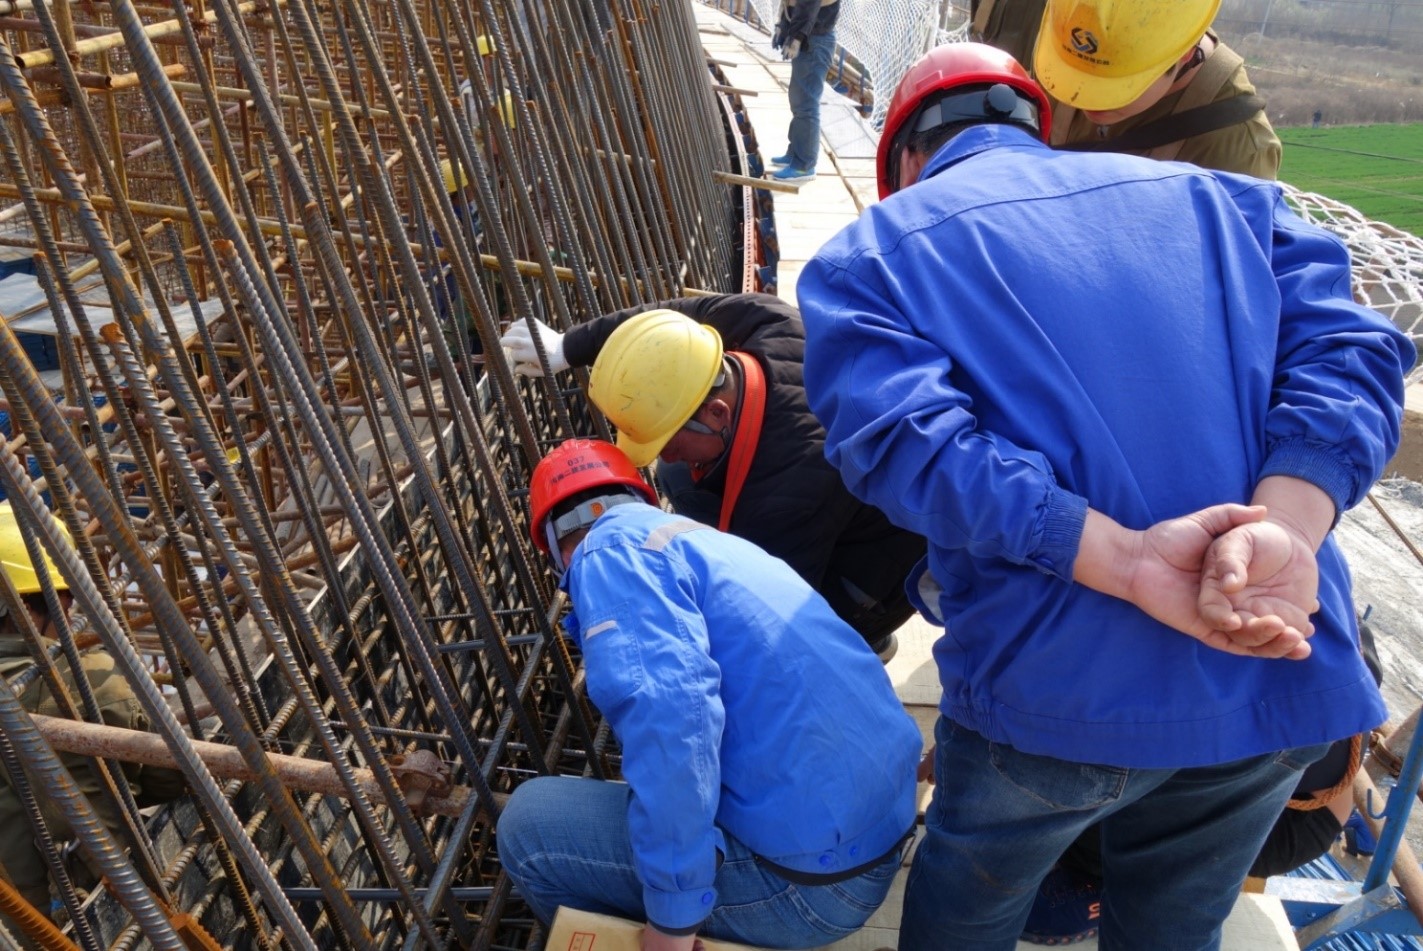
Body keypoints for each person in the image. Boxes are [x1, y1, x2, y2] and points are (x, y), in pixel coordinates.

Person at [795, 41, 1414, 951]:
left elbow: (906, 445)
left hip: (1050, 703)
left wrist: (1118, 556)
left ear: (908, 161)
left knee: (966, 907)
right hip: (1277, 669)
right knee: (1170, 926)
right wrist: (1284, 524)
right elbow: (1354, 354)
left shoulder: (873, 252)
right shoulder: (1228, 200)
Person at [496, 438, 920, 951]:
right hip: (881, 826)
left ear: (554, 539)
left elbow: (673, 727)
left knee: (529, 825)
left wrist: (673, 920)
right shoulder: (701, 542)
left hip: (813, 889)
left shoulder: (605, 554)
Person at [499, 296, 926, 661]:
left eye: (669, 437)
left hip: (879, 574)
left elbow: (767, 618)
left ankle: (865, 641)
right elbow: (670, 326)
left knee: (801, 626)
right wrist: (570, 347)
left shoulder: (786, 498)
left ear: (717, 414)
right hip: (827, 500)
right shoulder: (774, 322)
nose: (662, 451)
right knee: (679, 472)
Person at [0, 503, 185, 932]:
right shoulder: (90, 683)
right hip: (98, 918)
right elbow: (170, 778)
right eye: (61, 597)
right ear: (28, 609)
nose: (68, 610)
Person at [971, 0, 1280, 178]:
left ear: (1184, 54)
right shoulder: (1065, 28)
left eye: (1111, 89)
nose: (1084, 97)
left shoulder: (1236, 151)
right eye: (1073, 75)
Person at [768, 0, 840, 184]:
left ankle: (804, 165)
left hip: (815, 41)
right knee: (798, 100)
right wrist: (782, 27)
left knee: (806, 103)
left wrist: (796, 37)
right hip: (811, 38)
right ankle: (795, 154)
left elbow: (809, 4)